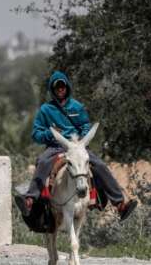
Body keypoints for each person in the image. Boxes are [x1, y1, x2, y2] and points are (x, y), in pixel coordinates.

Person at [20, 70, 137, 221]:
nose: (60, 89)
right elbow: (36, 134)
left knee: (100, 165)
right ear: (52, 89)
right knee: (43, 162)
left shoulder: (77, 107)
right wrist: (50, 134)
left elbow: (85, 125)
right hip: (56, 146)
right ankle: (30, 200)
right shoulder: (45, 110)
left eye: (62, 86)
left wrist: (82, 138)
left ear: (67, 87)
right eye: (57, 87)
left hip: (77, 145)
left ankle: (120, 204)